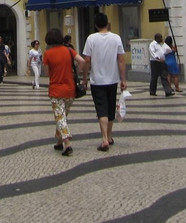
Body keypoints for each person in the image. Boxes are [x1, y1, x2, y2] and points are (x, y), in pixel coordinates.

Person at [80, 12, 127, 152]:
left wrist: (84, 79)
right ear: (107, 23)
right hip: (113, 79)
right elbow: (121, 60)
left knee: (102, 110)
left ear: (95, 25)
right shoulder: (116, 38)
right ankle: (110, 136)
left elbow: (87, 60)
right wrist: (123, 79)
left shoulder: (91, 39)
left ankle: (105, 139)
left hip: (97, 80)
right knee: (111, 108)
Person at [42, 29, 81, 156]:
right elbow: (82, 61)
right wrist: (77, 73)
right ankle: (59, 141)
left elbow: (47, 73)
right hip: (70, 90)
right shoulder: (69, 50)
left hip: (56, 90)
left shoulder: (47, 54)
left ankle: (67, 143)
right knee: (62, 117)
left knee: (60, 117)